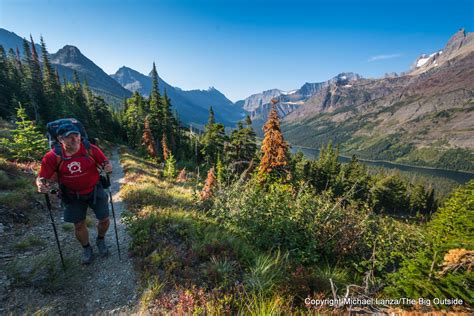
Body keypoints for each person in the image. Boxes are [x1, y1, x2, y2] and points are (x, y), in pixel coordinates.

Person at [36, 123, 113, 264]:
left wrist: (107, 167)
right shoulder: (52, 157)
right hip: (71, 194)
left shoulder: (90, 149)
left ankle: (100, 240)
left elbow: (104, 162)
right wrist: (40, 185)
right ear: (60, 139)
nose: (74, 139)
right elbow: (42, 177)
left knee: (105, 219)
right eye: (69, 137)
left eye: (76, 135)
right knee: (78, 224)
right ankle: (86, 248)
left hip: (94, 189)